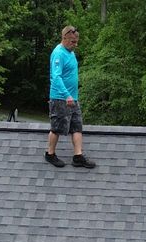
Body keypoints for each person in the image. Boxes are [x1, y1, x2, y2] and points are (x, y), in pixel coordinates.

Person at [45, 26, 95, 169]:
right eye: (73, 41)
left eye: (76, 41)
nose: (75, 44)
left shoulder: (71, 53)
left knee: (77, 127)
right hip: (60, 98)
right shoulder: (58, 53)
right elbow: (56, 77)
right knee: (57, 127)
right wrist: (66, 95)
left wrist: (73, 95)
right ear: (64, 38)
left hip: (73, 98)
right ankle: (50, 154)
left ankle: (78, 156)